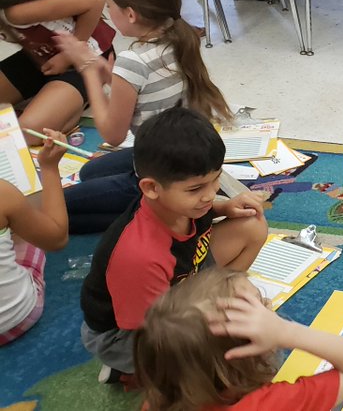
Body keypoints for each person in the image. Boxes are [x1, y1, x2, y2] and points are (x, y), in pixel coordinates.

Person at [80, 108, 268, 384]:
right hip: (128, 334)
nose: (210, 193)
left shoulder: (182, 204)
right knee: (224, 357)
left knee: (252, 227)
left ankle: (219, 301)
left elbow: (203, 206)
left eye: (216, 179)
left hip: (175, 286)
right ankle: (129, 370)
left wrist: (225, 207)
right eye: (196, 188)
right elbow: (156, 328)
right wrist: (218, 318)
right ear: (152, 188)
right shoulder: (140, 256)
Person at [55, 0, 232, 234]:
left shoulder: (132, 61)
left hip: (161, 172)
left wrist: (88, 71)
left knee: (57, 209)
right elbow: (145, 87)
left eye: (109, 7)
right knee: (90, 173)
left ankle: (154, 212)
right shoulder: (179, 36)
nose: (107, 12)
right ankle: (158, 206)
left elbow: (113, 135)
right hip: (174, 153)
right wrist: (107, 74)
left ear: (130, 14)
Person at [135, 267, 343, 410]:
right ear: (244, 355)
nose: (269, 305)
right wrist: (287, 332)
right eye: (258, 308)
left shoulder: (162, 396)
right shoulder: (269, 404)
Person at [0, 0, 115, 143]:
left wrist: (67, 56)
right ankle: (55, 99)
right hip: (42, 55)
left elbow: (95, 1)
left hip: (87, 57)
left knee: (28, 132)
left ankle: (80, 100)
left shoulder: (16, 10)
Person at [0, 131, 69, 345]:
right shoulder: (4, 193)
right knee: (26, 229)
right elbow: (57, 239)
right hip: (14, 318)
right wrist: (49, 168)